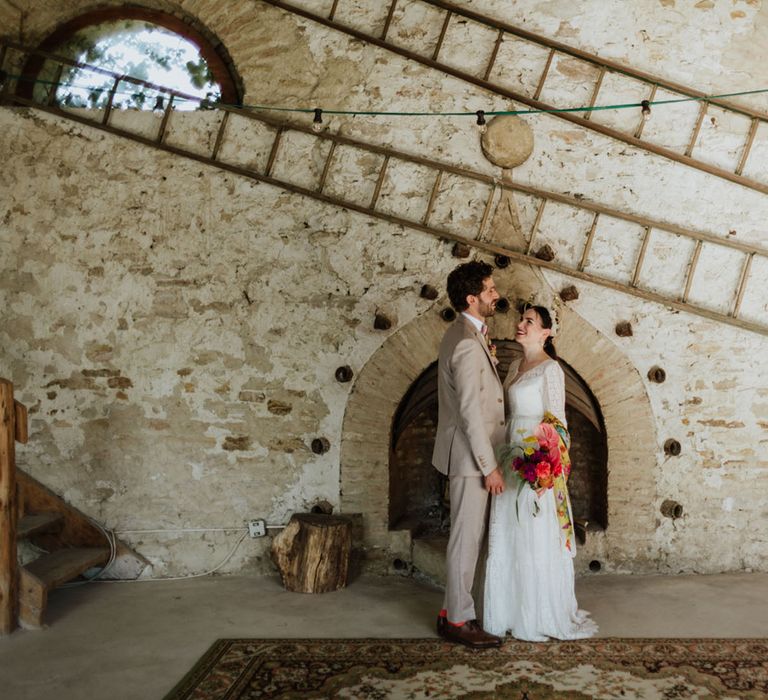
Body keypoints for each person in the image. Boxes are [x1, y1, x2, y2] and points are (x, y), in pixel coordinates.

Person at [483, 302, 597, 641]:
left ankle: (537, 615)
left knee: (532, 532)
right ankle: (505, 611)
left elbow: (558, 424)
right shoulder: (515, 364)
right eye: (522, 319)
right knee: (507, 531)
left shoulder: (551, 370)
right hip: (509, 455)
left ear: (546, 332)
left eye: (529, 321)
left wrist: (543, 467)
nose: (521, 324)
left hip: (535, 460)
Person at [432, 260, 506, 649]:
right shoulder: (463, 341)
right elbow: (470, 414)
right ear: (471, 298)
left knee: (466, 536)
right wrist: (489, 467)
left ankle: (450, 610)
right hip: (469, 458)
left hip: (468, 454)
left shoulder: (466, 333)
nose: (496, 295)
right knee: (466, 538)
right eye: (490, 290)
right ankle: (458, 621)